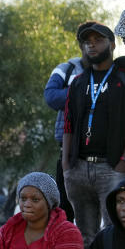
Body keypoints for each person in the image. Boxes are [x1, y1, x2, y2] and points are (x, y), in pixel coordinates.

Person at [62, 22, 125, 249]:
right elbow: (69, 123)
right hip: (78, 168)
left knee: (114, 232)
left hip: (111, 167)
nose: (91, 45)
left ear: (112, 44)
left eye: (98, 40)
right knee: (85, 236)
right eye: (87, 42)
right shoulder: (78, 82)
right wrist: (66, 163)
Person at [44, 54, 84, 222]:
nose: (91, 45)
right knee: (65, 211)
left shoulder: (110, 72)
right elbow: (51, 97)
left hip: (100, 152)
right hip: (67, 151)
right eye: (86, 41)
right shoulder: (66, 69)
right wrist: (83, 89)